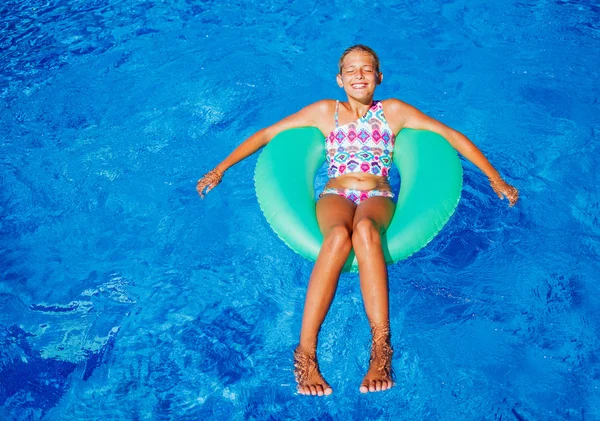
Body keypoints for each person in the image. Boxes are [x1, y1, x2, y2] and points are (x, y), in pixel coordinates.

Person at [196, 45, 519, 396]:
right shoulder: (325, 112)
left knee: (366, 231)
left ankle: (381, 350)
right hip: (336, 194)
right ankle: (306, 353)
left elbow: (451, 136)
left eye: (367, 68)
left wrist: (494, 177)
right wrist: (219, 169)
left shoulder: (393, 111)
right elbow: (266, 134)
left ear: (379, 77)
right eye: (351, 69)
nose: (359, 74)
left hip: (377, 196)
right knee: (337, 237)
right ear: (339, 79)